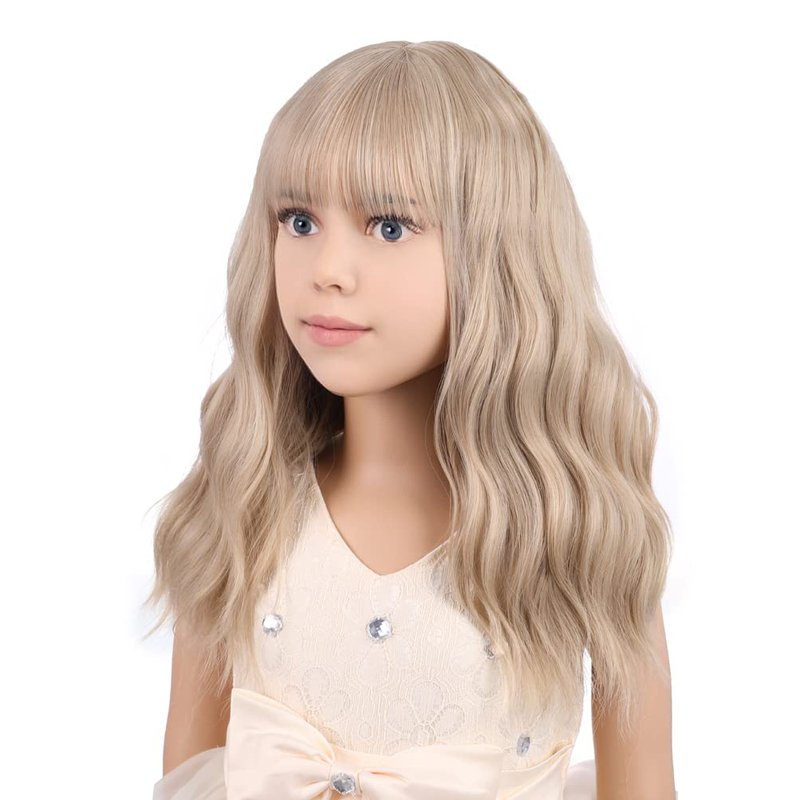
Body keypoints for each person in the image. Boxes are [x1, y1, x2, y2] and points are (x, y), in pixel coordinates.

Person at [144, 40, 676, 799]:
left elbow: (644, 785)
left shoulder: (577, 526)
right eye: (298, 220)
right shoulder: (244, 502)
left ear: (498, 252)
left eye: (389, 226)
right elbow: (189, 774)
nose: (328, 268)